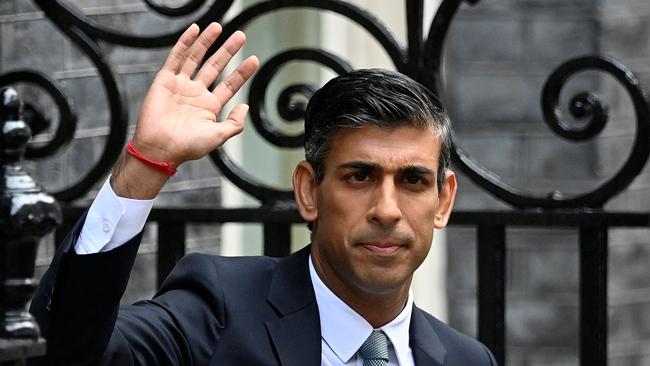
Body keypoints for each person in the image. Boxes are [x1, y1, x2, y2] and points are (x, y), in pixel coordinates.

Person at [29, 23, 497, 366]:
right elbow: (67, 352)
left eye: (413, 180)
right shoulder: (218, 309)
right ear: (309, 191)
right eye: (360, 176)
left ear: (444, 200)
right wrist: (144, 166)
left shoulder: (467, 358)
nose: (387, 210)